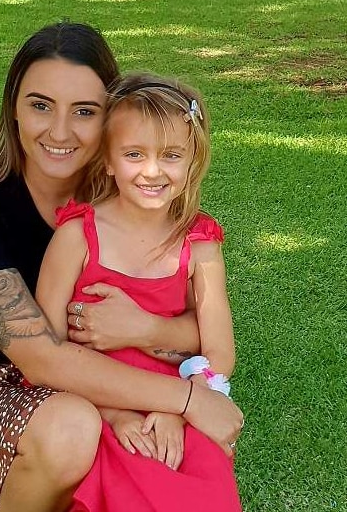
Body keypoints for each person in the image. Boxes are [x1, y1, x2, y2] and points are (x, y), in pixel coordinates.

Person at [0, 21, 243, 512]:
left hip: (127, 377)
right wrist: (187, 400)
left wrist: (143, 329)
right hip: (8, 389)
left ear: (111, 119)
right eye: (40, 105)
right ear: (13, 107)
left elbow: (206, 331)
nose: (59, 131)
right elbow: (42, 359)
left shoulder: (133, 199)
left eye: (83, 111)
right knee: (74, 427)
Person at [36, 73, 242, 511]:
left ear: (192, 162)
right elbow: (48, 350)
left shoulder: (199, 243)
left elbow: (220, 351)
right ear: (108, 160)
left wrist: (176, 411)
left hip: (179, 401)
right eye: (134, 154)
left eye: (171, 155)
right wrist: (113, 414)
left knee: (201, 490)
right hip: (94, 400)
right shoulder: (77, 235)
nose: (152, 170)